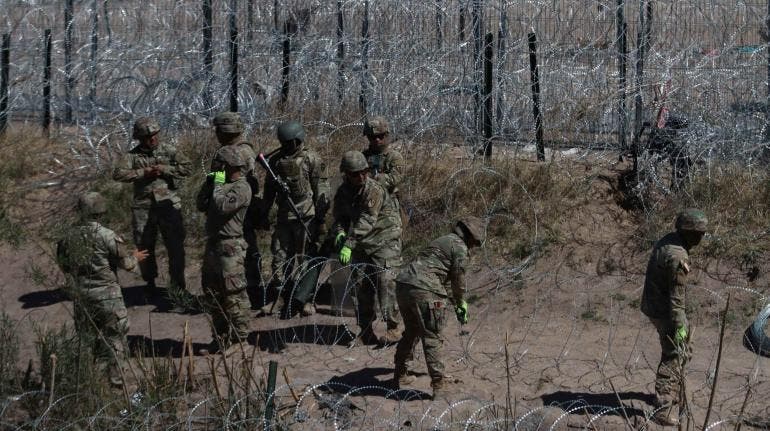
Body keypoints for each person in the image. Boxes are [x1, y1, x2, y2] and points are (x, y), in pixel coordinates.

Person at [56, 192, 149, 387]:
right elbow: (128, 265)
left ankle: (86, 382)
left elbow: (63, 265)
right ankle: (117, 382)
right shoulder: (107, 235)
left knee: (85, 340)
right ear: (101, 210)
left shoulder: (68, 237)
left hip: (82, 297)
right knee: (115, 338)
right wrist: (135, 257)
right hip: (108, 297)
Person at [392, 217, 485, 400]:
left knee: (411, 331)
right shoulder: (459, 247)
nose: (473, 247)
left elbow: (443, 277)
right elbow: (457, 279)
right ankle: (439, 385)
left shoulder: (442, 240)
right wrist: (460, 301)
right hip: (425, 289)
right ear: (470, 237)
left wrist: (454, 301)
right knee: (432, 336)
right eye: (474, 243)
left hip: (404, 285)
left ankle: (400, 374)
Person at [113, 117, 192, 303]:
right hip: (143, 208)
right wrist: (143, 173)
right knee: (144, 247)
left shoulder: (169, 150)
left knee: (175, 247)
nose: (152, 139)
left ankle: (178, 288)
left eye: (155, 135)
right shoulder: (132, 156)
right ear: (139, 138)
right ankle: (150, 285)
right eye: (147, 136)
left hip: (168, 206)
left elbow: (187, 168)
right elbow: (118, 174)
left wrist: (165, 169)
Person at [640, 209, 707, 426]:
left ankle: (674, 392)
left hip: (653, 304)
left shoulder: (668, 240)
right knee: (675, 354)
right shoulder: (678, 256)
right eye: (699, 233)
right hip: (665, 310)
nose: (702, 237)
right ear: (688, 232)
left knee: (681, 349)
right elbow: (677, 301)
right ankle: (663, 406)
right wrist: (681, 328)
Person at [258, 120, 330, 317]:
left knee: (306, 259)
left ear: (299, 140)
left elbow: (321, 189)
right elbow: (269, 192)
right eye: (284, 143)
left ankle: (306, 299)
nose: (286, 147)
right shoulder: (275, 162)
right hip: (284, 217)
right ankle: (280, 296)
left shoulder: (311, 159)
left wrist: (321, 219)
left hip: (306, 217)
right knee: (280, 259)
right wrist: (264, 213)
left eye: (290, 143)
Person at [332, 150, 403, 346]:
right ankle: (365, 330)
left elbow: (366, 221)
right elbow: (340, 218)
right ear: (346, 174)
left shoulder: (374, 189)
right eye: (355, 174)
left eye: (364, 171)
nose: (361, 176)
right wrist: (339, 232)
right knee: (360, 286)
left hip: (385, 237)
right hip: (362, 241)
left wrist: (348, 244)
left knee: (386, 282)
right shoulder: (343, 192)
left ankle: (394, 328)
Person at [196, 146, 252, 355]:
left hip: (231, 247)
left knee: (234, 294)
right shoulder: (218, 185)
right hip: (213, 245)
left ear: (226, 166)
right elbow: (201, 205)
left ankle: (241, 340)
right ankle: (220, 337)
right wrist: (209, 184)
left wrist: (218, 185)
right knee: (213, 293)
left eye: (219, 165)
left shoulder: (241, 187)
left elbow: (221, 206)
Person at [210, 112, 262, 309]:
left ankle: (251, 290)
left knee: (245, 250)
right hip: (229, 205)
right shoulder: (231, 150)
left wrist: (217, 185)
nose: (216, 133)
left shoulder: (241, 152)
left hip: (237, 208)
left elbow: (237, 180)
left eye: (218, 130)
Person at [361, 116, 405, 220]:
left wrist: (373, 178)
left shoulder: (394, 156)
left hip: (389, 205)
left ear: (386, 135)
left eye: (380, 136)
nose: (377, 140)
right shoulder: (362, 157)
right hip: (366, 204)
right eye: (372, 137)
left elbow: (396, 178)